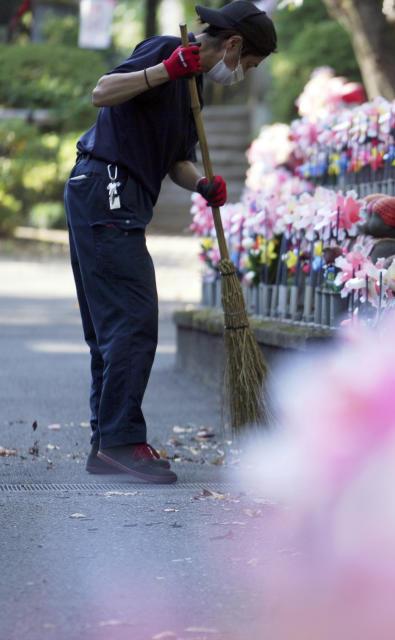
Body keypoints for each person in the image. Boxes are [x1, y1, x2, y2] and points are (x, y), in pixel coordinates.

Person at [64, 1, 276, 484]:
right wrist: (163, 69)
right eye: (249, 64)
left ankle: (108, 442)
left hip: (118, 194)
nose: (242, 73)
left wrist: (200, 181)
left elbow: (177, 159)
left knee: (113, 326)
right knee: (133, 318)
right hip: (107, 185)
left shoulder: (192, 86)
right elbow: (102, 92)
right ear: (235, 44)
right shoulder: (167, 52)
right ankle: (121, 441)